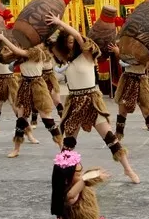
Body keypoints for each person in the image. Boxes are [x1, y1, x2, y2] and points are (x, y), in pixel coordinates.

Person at [47, 14, 140, 184]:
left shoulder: (88, 54)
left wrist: (61, 23)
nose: (71, 42)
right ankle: (65, 175)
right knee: (68, 143)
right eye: (67, 41)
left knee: (110, 138)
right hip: (74, 102)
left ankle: (128, 170)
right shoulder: (65, 60)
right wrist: (54, 29)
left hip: (91, 100)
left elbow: (77, 35)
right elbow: (48, 42)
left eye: (72, 40)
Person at [0, 150, 115, 219]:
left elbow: (86, 178)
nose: (82, 175)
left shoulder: (83, 184)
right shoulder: (66, 194)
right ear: (67, 178)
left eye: (81, 171)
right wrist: (86, 178)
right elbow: (72, 194)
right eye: (78, 174)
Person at [0, 32, 63, 157]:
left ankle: (62, 147)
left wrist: (3, 38)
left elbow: (19, 52)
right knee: (21, 119)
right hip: (24, 85)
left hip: (38, 85)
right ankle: (16, 149)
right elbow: (2, 58)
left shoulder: (37, 51)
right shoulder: (20, 53)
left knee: (47, 119)